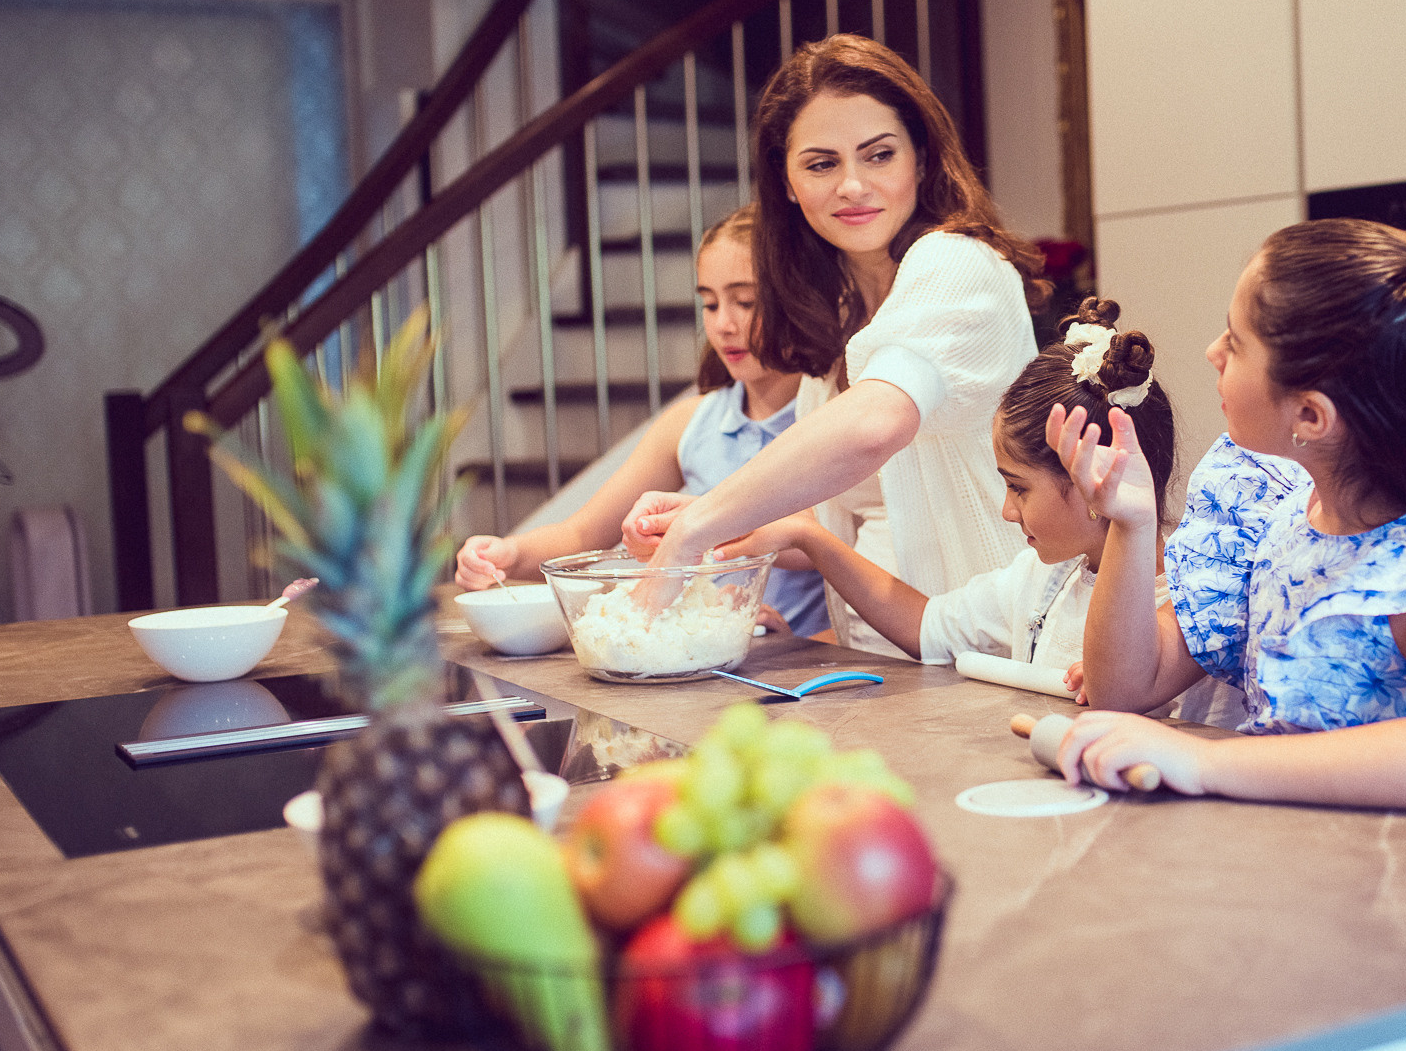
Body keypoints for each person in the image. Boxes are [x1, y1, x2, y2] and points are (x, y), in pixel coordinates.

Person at [1054, 218, 1406, 812]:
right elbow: (1126, 688)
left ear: (1311, 417)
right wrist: (1131, 525)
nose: (1212, 352)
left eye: (1236, 342)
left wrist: (1207, 760)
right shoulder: (1270, 520)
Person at [624, 34, 1042, 654]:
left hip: (993, 654)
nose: (852, 185)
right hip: (886, 665)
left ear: (921, 160)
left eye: (878, 156)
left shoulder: (957, 263)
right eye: (821, 164)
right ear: (787, 183)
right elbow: (840, 523)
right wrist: (703, 523)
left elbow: (876, 423)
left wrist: (703, 518)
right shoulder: (837, 307)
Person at [713, 299, 1174, 684]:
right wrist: (809, 537)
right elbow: (926, 625)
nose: (1007, 511)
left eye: (1018, 488)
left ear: (1094, 476)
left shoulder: (1185, 596)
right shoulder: (1042, 577)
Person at [452, 207, 828, 636]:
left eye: (745, 302)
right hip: (705, 659)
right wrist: (508, 553)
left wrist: (798, 643)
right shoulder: (689, 423)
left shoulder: (833, 420)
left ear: (797, 297)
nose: (722, 324)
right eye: (709, 303)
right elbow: (582, 533)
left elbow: (838, 553)